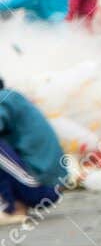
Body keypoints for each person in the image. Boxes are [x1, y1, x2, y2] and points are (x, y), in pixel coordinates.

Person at [0, 78, 68, 224]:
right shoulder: (13, 98)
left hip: (40, 186)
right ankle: (17, 205)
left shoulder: (3, 98)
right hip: (47, 185)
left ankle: (8, 209)